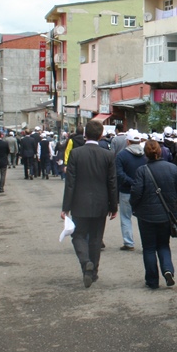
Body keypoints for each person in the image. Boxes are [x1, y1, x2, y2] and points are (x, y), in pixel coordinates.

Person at [61, 119, 118, 288]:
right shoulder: (108, 155)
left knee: (78, 235)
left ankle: (86, 263)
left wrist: (66, 207)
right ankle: (93, 272)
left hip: (80, 202)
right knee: (96, 238)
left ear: (85, 134)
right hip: (101, 203)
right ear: (101, 135)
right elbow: (112, 182)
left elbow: (70, 182)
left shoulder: (76, 153)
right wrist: (113, 206)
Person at [130, 140, 177, 289]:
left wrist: (134, 206)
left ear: (145, 153)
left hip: (146, 215)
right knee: (164, 245)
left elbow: (136, 192)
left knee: (148, 248)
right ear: (160, 152)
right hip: (166, 215)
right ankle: (167, 270)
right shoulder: (172, 168)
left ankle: (152, 280)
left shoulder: (142, 170)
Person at [116, 129, 147, 251]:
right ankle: (146, 243)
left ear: (128, 141)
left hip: (126, 190)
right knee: (144, 218)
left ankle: (128, 242)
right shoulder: (145, 155)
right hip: (143, 190)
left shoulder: (122, 155)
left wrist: (131, 182)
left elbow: (119, 173)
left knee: (125, 217)